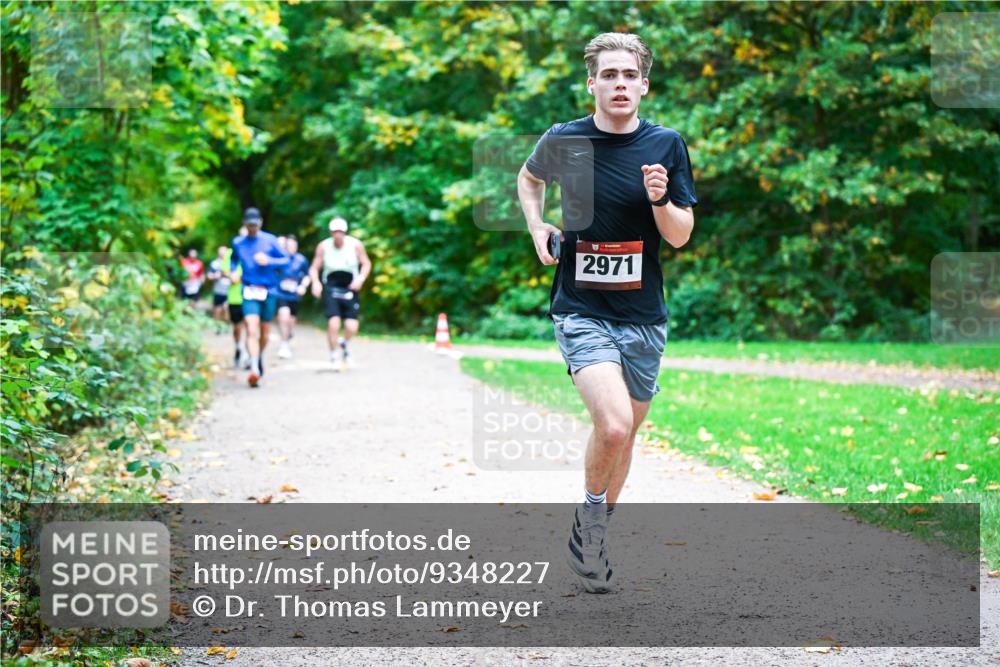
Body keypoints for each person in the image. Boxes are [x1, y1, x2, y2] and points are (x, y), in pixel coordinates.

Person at [517, 33, 697, 593]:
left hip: (644, 316)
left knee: (627, 433)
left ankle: (593, 529)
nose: (620, 84)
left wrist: (661, 199)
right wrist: (537, 226)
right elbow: (528, 178)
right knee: (614, 424)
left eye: (630, 75)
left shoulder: (666, 145)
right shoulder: (564, 139)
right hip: (581, 307)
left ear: (645, 85)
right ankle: (591, 525)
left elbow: (680, 236)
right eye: (609, 75)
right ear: (591, 83)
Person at [228, 208, 290, 387]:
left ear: (260, 223)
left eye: (255, 225)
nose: (252, 228)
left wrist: (270, 260)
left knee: (265, 332)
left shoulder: (270, 240)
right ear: (245, 224)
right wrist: (233, 272)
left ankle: (259, 356)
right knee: (251, 328)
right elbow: (233, 260)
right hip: (249, 290)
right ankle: (254, 369)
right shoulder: (238, 242)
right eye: (249, 225)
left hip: (269, 290)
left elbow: (286, 260)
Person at [309, 216, 372, 370]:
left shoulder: (355, 245)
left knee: (352, 326)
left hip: (350, 286)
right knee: (333, 323)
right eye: (335, 232)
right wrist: (315, 282)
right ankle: (334, 355)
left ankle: (345, 343)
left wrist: (360, 279)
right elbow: (314, 267)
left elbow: (366, 263)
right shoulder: (323, 246)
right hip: (331, 286)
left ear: (345, 232)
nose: (338, 235)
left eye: (340, 232)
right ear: (331, 233)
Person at [275, 235, 311, 359]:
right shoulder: (280, 259)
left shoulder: (301, 260)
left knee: (290, 321)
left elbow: (307, 275)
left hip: (294, 295)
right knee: (283, 315)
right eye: (289, 245)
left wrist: (303, 286)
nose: (291, 247)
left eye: (293, 245)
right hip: (281, 293)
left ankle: (289, 335)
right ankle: (284, 344)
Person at [206, 246, 232, 323]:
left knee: (228, 308)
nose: (222, 254)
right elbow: (208, 275)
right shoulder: (214, 263)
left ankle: (227, 324)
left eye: (224, 252)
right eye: (221, 252)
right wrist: (215, 276)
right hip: (218, 290)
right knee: (218, 308)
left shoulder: (232, 263)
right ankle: (217, 324)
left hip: (230, 290)